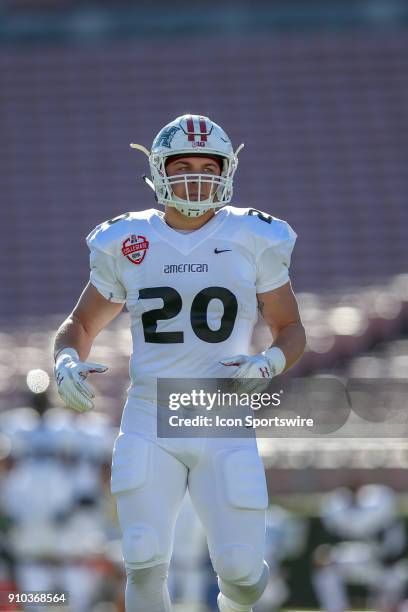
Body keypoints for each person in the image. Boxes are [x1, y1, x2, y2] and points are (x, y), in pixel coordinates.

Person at [53, 114, 306, 612]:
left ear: (227, 171)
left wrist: (270, 361)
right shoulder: (127, 241)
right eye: (182, 165)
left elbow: (291, 327)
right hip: (149, 411)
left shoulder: (254, 236)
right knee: (144, 558)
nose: (195, 177)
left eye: (206, 166)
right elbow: (80, 324)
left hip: (221, 413)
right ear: (158, 170)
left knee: (240, 572)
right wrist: (64, 359)